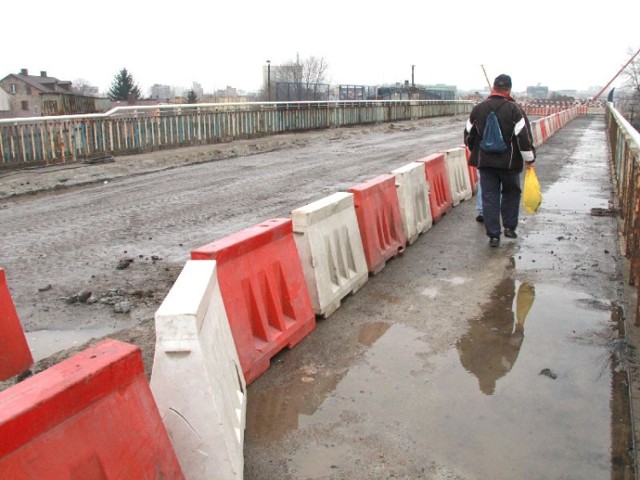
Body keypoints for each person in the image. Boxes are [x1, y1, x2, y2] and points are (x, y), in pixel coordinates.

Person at [464, 74, 536, 247]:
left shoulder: (478, 109)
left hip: (486, 164)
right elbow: (523, 138)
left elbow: (468, 135)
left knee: (489, 197)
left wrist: (478, 152)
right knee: (511, 193)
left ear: (493, 88)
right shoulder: (514, 109)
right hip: (510, 164)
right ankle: (510, 228)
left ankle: (494, 236)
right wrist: (529, 159)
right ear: (509, 89)